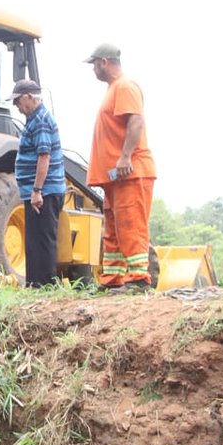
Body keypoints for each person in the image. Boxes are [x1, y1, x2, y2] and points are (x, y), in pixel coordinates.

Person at [84, 43, 157, 292]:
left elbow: (136, 121)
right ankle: (112, 279)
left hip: (131, 173)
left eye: (94, 64)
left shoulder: (125, 86)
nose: (93, 69)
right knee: (114, 230)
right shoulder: (114, 89)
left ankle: (138, 279)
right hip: (115, 178)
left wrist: (125, 157)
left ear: (104, 62)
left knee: (131, 225)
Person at [10, 79, 65, 287]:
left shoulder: (40, 120)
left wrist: (37, 190)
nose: (16, 106)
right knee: (33, 241)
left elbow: (44, 156)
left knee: (42, 240)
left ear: (29, 97)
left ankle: (46, 284)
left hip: (45, 192)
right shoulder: (33, 120)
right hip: (38, 191)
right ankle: (34, 284)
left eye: (18, 101)